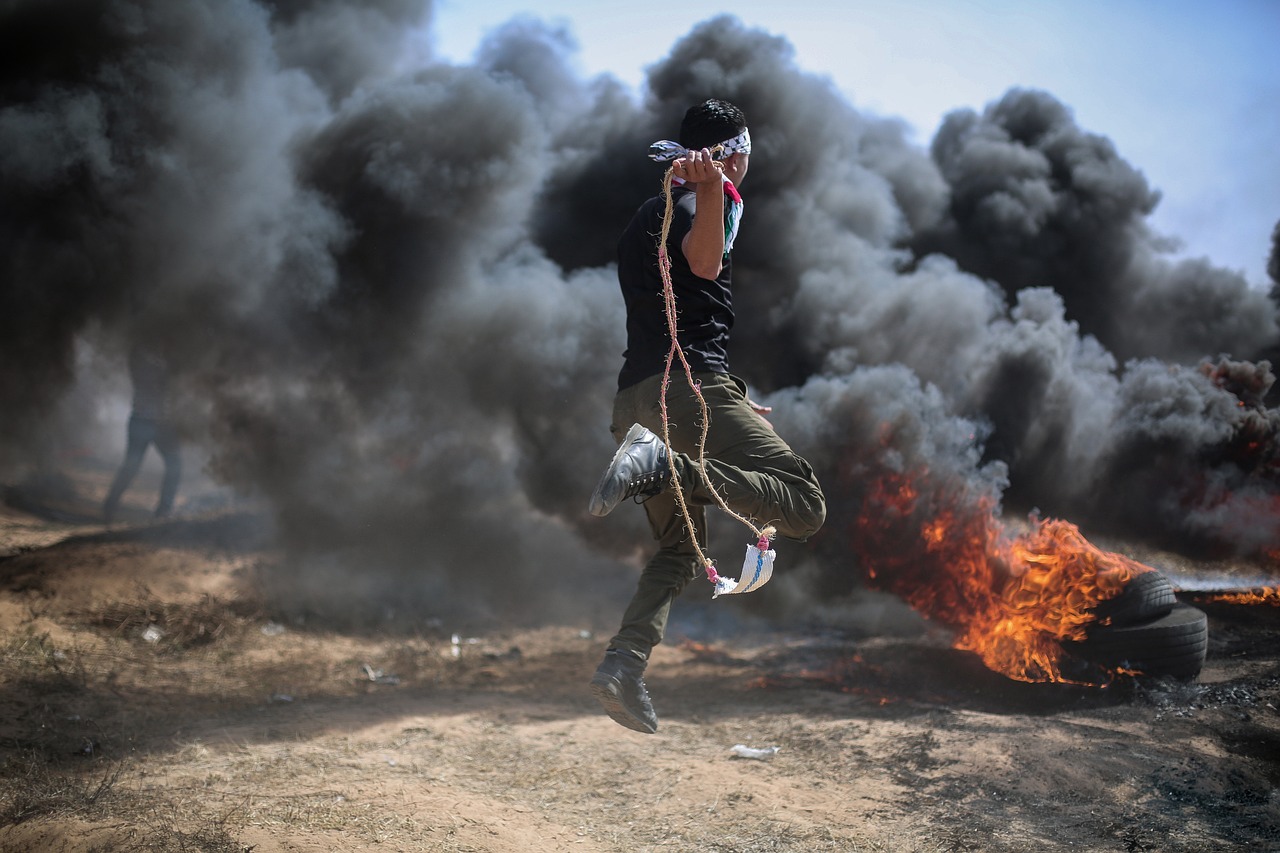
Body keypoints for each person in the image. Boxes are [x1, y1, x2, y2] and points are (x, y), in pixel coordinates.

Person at [587, 99, 827, 733]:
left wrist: (731, 392)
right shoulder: (700, 201)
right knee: (804, 503)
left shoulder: (648, 213)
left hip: (637, 399)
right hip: (685, 394)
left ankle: (623, 665)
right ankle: (665, 465)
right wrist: (714, 190)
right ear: (737, 152)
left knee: (677, 550)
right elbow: (703, 263)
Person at [103, 341, 182, 523]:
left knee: (173, 464)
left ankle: (163, 511)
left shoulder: (155, 360)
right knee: (133, 466)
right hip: (144, 421)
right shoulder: (142, 359)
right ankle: (111, 505)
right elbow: (155, 373)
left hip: (158, 423)